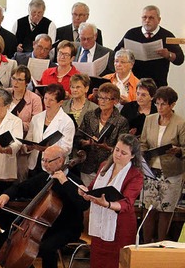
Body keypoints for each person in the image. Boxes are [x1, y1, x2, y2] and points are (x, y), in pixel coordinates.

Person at [0, 145, 89, 268]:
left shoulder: (73, 180)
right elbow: (21, 187)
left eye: (47, 161)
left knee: (46, 247)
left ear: (60, 161)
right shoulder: (45, 177)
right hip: (44, 226)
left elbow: (84, 204)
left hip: (67, 228)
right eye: (43, 160)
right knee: (8, 237)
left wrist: (65, 182)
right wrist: (6, 195)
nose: (44, 164)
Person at [79, 134, 143, 268]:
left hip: (121, 228)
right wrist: (84, 191)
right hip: (100, 224)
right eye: (117, 150)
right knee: (98, 261)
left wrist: (107, 204)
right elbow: (92, 189)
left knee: (115, 263)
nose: (118, 155)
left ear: (132, 156)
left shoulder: (136, 174)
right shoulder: (104, 165)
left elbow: (127, 202)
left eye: (124, 153)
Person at [139, 86, 185, 243]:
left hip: (171, 172)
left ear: (172, 105)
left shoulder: (180, 122)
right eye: (157, 104)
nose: (159, 107)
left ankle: (161, 244)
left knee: (165, 210)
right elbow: (143, 142)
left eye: (163, 104)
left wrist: (178, 150)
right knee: (148, 209)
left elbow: (184, 148)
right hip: (151, 169)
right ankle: (146, 244)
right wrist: (144, 153)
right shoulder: (149, 119)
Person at [114, 5, 184, 87]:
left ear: (159, 20)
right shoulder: (131, 34)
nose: (147, 20)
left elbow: (180, 59)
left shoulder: (167, 35)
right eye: (144, 17)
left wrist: (168, 54)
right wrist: (124, 53)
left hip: (157, 84)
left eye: (151, 18)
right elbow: (116, 52)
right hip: (134, 84)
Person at [76, 83, 129, 186]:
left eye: (106, 98)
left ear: (115, 101)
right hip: (88, 166)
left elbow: (123, 149)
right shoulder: (89, 116)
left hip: (107, 168)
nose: (102, 101)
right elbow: (78, 137)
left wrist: (107, 147)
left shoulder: (121, 121)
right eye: (100, 98)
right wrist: (85, 142)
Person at [22, 84, 75, 179]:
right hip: (34, 164)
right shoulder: (37, 118)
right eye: (45, 98)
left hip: (52, 167)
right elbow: (29, 138)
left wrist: (47, 149)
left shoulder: (67, 122)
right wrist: (28, 146)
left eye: (51, 100)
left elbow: (67, 148)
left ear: (60, 102)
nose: (47, 103)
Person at [8, 65, 43, 136]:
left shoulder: (35, 99)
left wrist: (18, 123)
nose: (15, 82)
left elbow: (36, 125)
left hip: (23, 136)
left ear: (27, 82)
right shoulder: (5, 94)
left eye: (20, 80)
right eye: (13, 78)